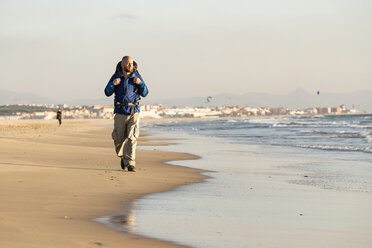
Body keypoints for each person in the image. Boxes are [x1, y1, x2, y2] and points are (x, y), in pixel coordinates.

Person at [104, 56, 149, 172]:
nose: (130, 65)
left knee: (132, 137)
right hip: (119, 112)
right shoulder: (116, 76)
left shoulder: (137, 77)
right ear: (122, 64)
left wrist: (140, 84)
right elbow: (107, 92)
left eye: (131, 63)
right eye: (127, 63)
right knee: (119, 139)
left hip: (134, 111)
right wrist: (113, 84)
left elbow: (145, 93)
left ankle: (130, 163)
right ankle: (123, 157)